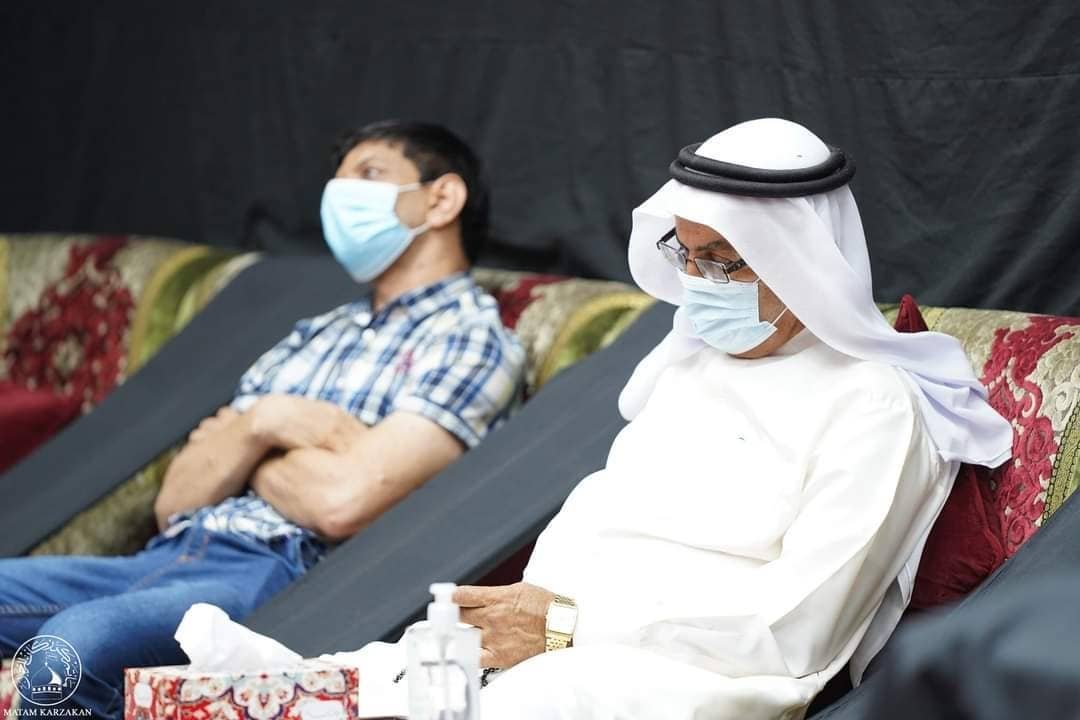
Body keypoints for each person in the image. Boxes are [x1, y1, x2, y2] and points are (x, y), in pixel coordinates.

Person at [331, 118, 1012, 719]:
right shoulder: (689, 367)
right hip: (553, 644)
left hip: (692, 681)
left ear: (800, 261)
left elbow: (796, 631)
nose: (696, 283)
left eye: (720, 262)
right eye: (684, 255)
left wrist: (567, 627)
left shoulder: (873, 403)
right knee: (337, 681)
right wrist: (526, 624)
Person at [0, 120, 524, 719]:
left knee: (77, 643)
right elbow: (176, 499)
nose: (341, 197)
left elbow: (343, 502)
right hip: (170, 553)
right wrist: (270, 424)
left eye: (369, 174)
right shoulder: (314, 332)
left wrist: (246, 445)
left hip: (282, 574)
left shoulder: (470, 338)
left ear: (442, 198)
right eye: (336, 181)